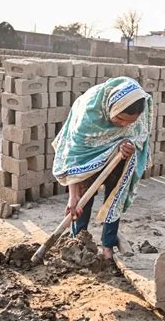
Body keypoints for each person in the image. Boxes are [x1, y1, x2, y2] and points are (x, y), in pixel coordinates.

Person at [52, 77, 152, 260]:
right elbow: (75, 156)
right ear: (111, 108)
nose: (124, 125)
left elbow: (138, 137)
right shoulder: (88, 115)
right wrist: (73, 196)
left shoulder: (138, 106)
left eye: (129, 123)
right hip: (88, 155)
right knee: (83, 199)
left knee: (116, 197)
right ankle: (79, 243)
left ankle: (108, 245)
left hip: (119, 158)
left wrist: (129, 145)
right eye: (120, 119)